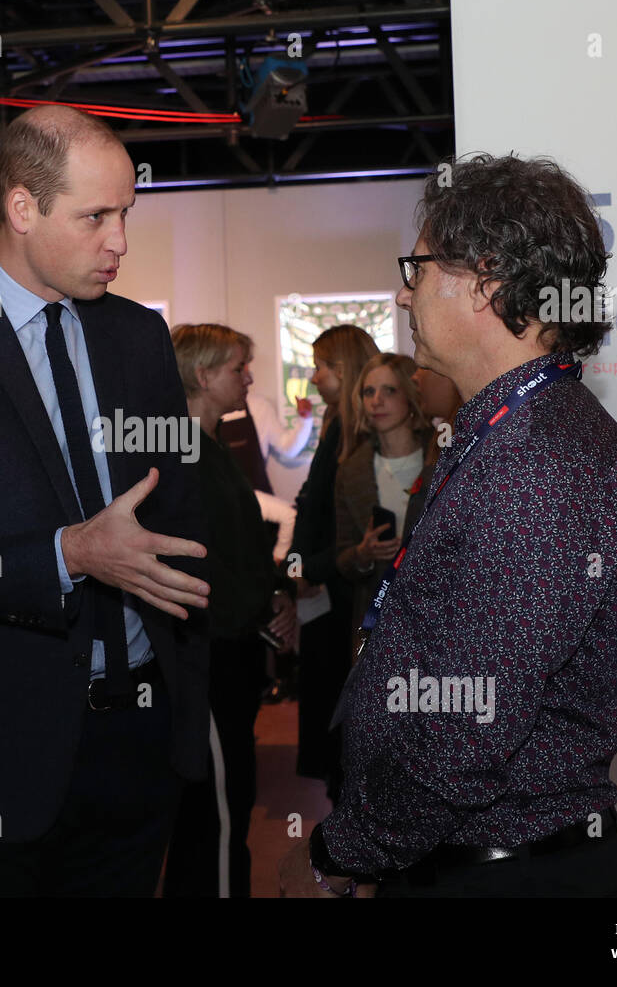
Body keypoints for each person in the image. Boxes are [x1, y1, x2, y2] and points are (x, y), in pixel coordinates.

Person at [279, 153, 617, 898]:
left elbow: (466, 730)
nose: (402, 290)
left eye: (417, 268)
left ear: (485, 279)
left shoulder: (538, 461)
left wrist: (345, 847)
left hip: (501, 877)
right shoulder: (515, 432)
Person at [0, 104, 210, 897]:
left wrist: (183, 716)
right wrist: (69, 554)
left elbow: (181, 524)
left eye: (126, 213)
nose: (119, 240)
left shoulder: (138, 338)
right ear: (22, 207)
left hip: (140, 743)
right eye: (96, 217)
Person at [163, 324, 297, 898]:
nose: (247, 378)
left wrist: (272, 595)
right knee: (216, 815)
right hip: (207, 658)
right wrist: (260, 603)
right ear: (202, 375)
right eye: (237, 367)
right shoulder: (180, 453)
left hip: (229, 654)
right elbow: (197, 565)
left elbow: (237, 549)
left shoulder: (209, 449)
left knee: (227, 808)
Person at [283, 324, 379, 799]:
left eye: (321, 366)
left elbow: (324, 507)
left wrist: (306, 567)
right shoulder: (338, 424)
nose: (315, 377)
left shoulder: (355, 429)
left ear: (342, 368)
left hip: (343, 585)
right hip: (328, 579)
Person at [334, 353, 434, 635]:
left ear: (411, 393)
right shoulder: (351, 470)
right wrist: (363, 554)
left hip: (438, 621)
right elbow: (342, 558)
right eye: (369, 392)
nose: (376, 400)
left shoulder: (442, 455)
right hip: (377, 624)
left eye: (389, 390)